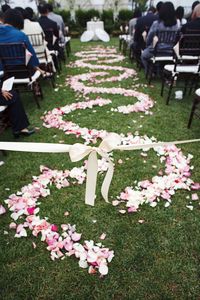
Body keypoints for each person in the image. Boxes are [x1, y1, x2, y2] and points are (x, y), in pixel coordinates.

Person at [0, 9, 45, 76]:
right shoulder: (21, 35)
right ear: (18, 20)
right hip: (23, 72)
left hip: (4, 73)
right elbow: (32, 59)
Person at [141, 2, 179, 74]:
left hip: (157, 50)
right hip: (171, 51)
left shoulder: (157, 24)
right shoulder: (176, 25)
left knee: (143, 56)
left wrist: (148, 46)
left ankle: (150, 72)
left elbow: (149, 37)